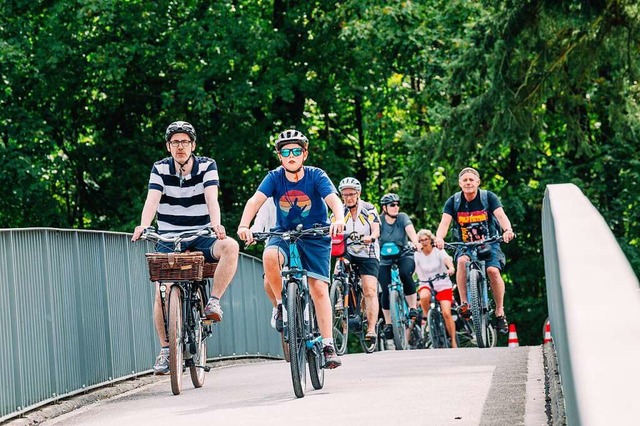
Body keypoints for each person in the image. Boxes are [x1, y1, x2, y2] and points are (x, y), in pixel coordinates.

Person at [131, 121, 240, 374]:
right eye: (175, 142)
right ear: (168, 146)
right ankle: (166, 350)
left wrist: (217, 225)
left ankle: (213, 302)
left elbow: (211, 197)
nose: (180, 147)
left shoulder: (207, 166)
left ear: (193, 145)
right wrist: (143, 225)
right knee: (163, 290)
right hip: (169, 238)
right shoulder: (159, 168)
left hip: (201, 234)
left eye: (185, 142)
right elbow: (152, 199)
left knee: (230, 247)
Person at [237, 129, 345, 369]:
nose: (291, 155)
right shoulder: (274, 177)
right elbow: (255, 200)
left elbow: (333, 200)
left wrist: (338, 219)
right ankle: (280, 306)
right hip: (283, 233)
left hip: (315, 235)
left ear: (305, 153)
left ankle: (328, 345)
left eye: (296, 150)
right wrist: (245, 225)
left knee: (318, 288)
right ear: (280, 156)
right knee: (269, 255)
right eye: (286, 152)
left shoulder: (317, 175)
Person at [434, 167, 515, 335]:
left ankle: (500, 312)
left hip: (489, 242)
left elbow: (501, 216)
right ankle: (465, 304)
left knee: (493, 271)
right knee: (462, 261)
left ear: (478, 182)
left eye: (472, 180)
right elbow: (444, 223)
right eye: (465, 180)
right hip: (465, 244)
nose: (468, 183)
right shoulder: (454, 201)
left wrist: (507, 230)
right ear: (460, 183)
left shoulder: (488, 197)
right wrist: (439, 238)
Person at [331, 177, 381, 343]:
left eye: (351, 194)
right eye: (345, 195)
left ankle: (371, 329)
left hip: (368, 252)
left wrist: (371, 237)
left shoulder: (369, 209)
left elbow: (376, 229)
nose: (348, 198)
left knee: (369, 289)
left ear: (358, 194)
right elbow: (331, 229)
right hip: (348, 250)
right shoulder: (338, 212)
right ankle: (339, 296)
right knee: (340, 264)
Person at [377, 193, 422, 348]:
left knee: (405, 274)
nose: (396, 207)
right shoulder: (379, 220)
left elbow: (410, 229)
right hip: (384, 257)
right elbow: (374, 233)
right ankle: (389, 323)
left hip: (404, 254)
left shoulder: (402, 217)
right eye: (392, 205)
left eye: (397, 204)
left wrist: (415, 241)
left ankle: (412, 308)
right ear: (384, 208)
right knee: (384, 288)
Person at [415, 229, 457, 348]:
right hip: (426, 283)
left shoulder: (438, 251)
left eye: (426, 239)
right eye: (421, 240)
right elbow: (412, 268)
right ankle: (426, 316)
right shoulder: (417, 254)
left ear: (431, 239)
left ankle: (453, 340)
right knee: (423, 296)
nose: (424, 242)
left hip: (442, 283)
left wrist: (451, 268)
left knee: (446, 312)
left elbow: (447, 259)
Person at [249, 197, 279, 328]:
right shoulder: (268, 201)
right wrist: (252, 233)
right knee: (268, 280)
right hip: (274, 245)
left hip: (298, 242)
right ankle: (277, 307)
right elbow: (259, 222)